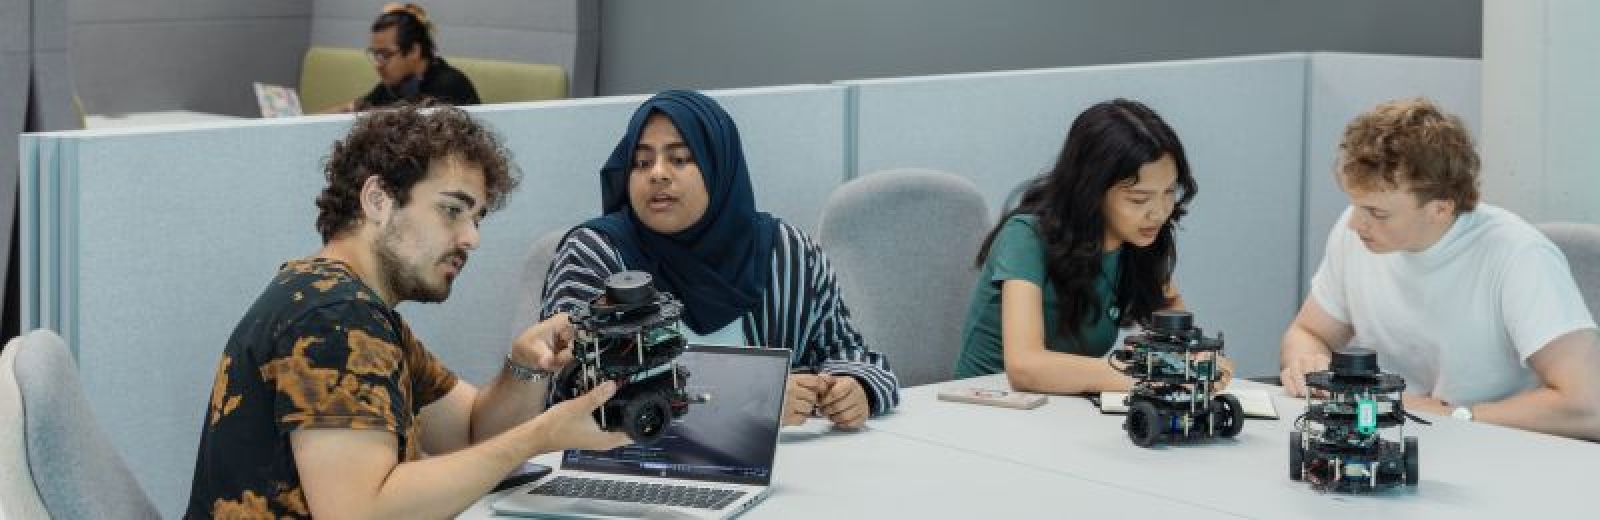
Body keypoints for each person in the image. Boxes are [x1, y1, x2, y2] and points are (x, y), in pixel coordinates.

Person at [186, 104, 627, 519]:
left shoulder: (351, 305)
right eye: (452, 210)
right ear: (377, 200)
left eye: (476, 219)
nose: (471, 238)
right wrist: (541, 435)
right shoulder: (333, 316)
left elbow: (472, 431)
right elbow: (360, 511)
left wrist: (527, 365)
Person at [538, 90, 900, 429]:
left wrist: (855, 389)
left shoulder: (788, 253)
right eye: (641, 161)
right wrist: (746, 401)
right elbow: (571, 391)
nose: (657, 173)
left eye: (680, 159)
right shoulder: (595, 255)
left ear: (719, 167)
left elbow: (846, 350)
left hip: (784, 470)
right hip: (637, 469)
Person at [1279, 97, 1600, 441]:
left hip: (1497, 449)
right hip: (1386, 438)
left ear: (1441, 209)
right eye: (1356, 205)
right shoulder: (1356, 233)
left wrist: (1457, 417)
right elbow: (1309, 332)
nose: (1356, 223)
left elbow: (1588, 406)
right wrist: (1307, 361)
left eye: (1378, 213)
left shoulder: (1518, 256)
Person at [953, 99, 1233, 394]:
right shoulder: (1026, 237)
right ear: (1092, 190)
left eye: (1168, 192)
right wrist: (1150, 374)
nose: (1159, 212)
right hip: (990, 408)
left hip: (1064, 410)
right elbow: (1026, 366)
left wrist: (1197, 358)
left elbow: (1170, 313)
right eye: (1139, 199)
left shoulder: (1140, 236)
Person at [331, 3, 480, 112]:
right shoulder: (396, 84)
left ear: (414, 50)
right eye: (375, 54)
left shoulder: (448, 87)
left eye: (386, 55)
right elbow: (353, 109)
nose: (378, 64)